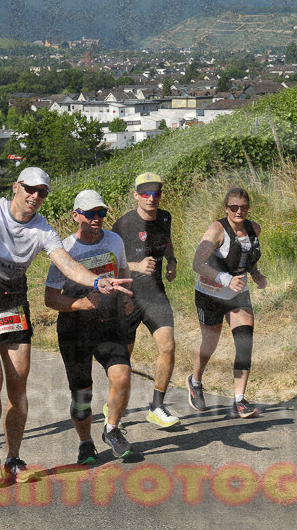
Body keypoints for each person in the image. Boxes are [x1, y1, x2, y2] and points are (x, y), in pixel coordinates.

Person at [0, 155, 132, 487]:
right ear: (16, 187)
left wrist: (96, 281)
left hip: (12, 309)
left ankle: (14, 458)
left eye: (42, 192)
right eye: (30, 189)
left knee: (18, 389)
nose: (35, 196)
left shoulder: (42, 230)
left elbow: (66, 262)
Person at [47, 190, 135, 461]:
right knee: (82, 395)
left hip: (108, 322)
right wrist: (82, 303)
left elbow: (122, 271)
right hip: (74, 328)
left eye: (102, 213)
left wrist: (127, 300)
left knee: (122, 375)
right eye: (90, 214)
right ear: (76, 216)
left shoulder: (114, 240)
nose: (97, 219)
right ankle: (85, 442)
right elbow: (50, 298)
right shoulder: (65, 249)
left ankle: (112, 429)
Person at [187, 186, 267, 418]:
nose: (238, 211)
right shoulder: (216, 230)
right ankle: (196, 382)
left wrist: (256, 274)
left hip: (237, 293)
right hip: (210, 293)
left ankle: (240, 400)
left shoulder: (254, 229)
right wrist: (225, 279)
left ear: (248, 208)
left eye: (243, 207)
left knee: (244, 342)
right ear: (226, 208)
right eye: (233, 207)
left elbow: (247, 258)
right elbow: (197, 263)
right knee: (209, 345)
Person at [111, 172, 180, 428]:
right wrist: (136, 266)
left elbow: (169, 243)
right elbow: (109, 263)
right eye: (145, 194)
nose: (151, 198)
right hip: (127, 296)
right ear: (136, 195)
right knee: (123, 360)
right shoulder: (124, 225)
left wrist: (172, 262)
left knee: (168, 346)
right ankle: (114, 402)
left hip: (155, 294)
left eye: (156, 194)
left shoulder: (165, 217)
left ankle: (157, 406)